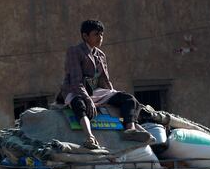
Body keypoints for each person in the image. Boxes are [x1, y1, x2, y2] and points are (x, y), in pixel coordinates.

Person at [61, 19, 154, 151]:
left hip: (96, 91)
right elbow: (76, 81)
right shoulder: (75, 51)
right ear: (85, 36)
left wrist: (113, 95)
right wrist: (88, 100)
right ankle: (90, 137)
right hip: (75, 89)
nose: (100, 37)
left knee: (129, 99)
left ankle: (130, 130)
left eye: (101, 34)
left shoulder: (100, 55)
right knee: (80, 104)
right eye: (96, 34)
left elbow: (105, 80)